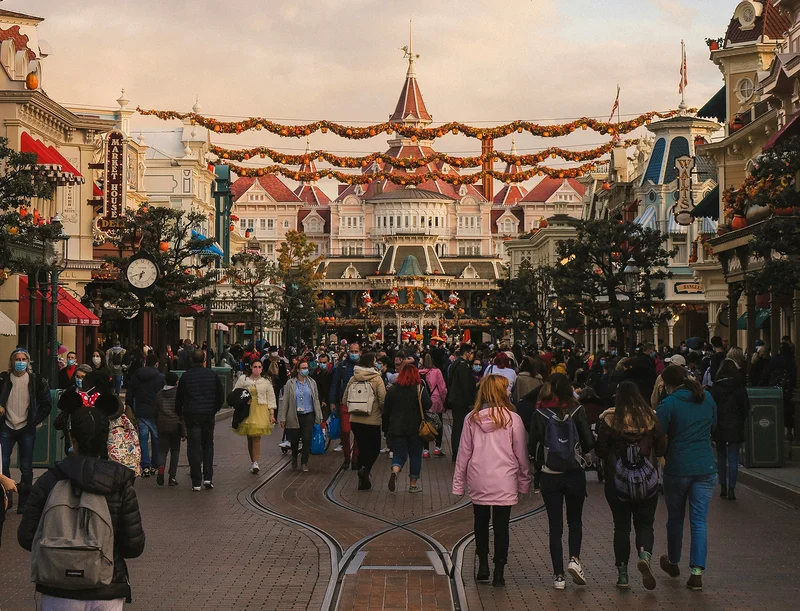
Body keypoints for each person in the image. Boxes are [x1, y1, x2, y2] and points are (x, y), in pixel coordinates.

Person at [18, 407, 145, 610]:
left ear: (72, 438)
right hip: (108, 587)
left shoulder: (50, 480)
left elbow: (26, 536)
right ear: (107, 438)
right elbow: (133, 546)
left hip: (58, 589)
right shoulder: (120, 483)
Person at [452, 374, 530, 587]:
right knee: (502, 525)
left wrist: (458, 484)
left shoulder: (471, 418)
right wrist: (524, 481)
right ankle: (499, 570)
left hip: (479, 477)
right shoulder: (513, 419)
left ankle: (483, 565)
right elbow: (521, 454)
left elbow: (463, 454)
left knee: (480, 521)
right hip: (504, 479)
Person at [595, 381, 667, 590]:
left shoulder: (610, 419)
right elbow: (661, 447)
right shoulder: (650, 418)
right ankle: (644, 554)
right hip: (647, 481)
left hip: (618, 483)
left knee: (621, 526)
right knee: (645, 524)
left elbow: (600, 450)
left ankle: (623, 574)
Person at [529, 373, 594, 591]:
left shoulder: (540, 413)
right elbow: (589, 440)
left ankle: (558, 576)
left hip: (550, 475)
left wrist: (538, 467)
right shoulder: (577, 410)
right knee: (575, 521)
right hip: (574, 474)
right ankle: (574, 559)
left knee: (554, 527)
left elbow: (532, 446)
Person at [656, 365, 717, 591]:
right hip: (705, 465)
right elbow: (715, 425)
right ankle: (697, 571)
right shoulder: (707, 398)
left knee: (675, 517)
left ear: (668, 385)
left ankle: (673, 561)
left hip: (678, 466)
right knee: (699, 520)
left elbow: (657, 433)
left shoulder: (669, 404)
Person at [0, 348, 51, 513]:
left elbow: (46, 404)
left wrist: (34, 420)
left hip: (26, 428)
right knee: (3, 464)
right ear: (12, 361)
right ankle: (6, 498)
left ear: (28, 362)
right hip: (6, 425)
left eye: (23, 359)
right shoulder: (4, 379)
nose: (20, 362)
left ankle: (24, 503)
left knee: (26, 467)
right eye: (17, 359)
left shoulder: (36, 381)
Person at [175, 349, 225, 491]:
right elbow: (220, 396)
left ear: (191, 359)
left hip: (192, 415)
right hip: (208, 414)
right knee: (208, 445)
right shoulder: (212, 375)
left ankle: (196, 481)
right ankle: (208, 477)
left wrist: (180, 413)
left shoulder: (186, 376)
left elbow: (179, 397)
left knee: (193, 446)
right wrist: (214, 409)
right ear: (204, 360)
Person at [383, 364, 431, 493]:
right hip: (416, 428)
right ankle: (413, 485)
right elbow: (428, 404)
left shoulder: (393, 390)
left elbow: (386, 411)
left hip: (397, 428)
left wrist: (386, 429)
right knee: (415, 456)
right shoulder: (419, 388)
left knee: (399, 454)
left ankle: (395, 470)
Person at [343, 353, 386, 489]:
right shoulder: (377, 378)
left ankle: (362, 481)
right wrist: (380, 410)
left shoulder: (353, 377)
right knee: (374, 448)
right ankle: (366, 470)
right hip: (372, 419)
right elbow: (383, 399)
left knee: (361, 447)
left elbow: (345, 399)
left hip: (355, 419)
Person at [709, 359, 750, 501]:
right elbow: (746, 407)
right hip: (735, 424)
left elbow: (712, 408)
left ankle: (723, 487)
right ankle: (732, 488)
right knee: (733, 457)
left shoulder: (716, 387)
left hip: (720, 424)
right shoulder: (739, 387)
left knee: (720, 456)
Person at [278, 360, 323, 472]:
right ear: (298, 370)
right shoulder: (290, 383)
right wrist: (282, 417)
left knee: (307, 439)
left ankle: (304, 462)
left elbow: (316, 399)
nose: (305, 370)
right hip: (294, 414)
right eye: (303, 368)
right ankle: (294, 456)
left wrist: (319, 415)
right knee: (295, 439)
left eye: (306, 367)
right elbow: (286, 401)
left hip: (309, 414)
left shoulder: (312, 382)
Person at [233, 359, 277, 474]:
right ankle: (253, 461)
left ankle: (256, 462)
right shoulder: (244, 379)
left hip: (261, 410)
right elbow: (235, 392)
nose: (257, 369)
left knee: (256, 436)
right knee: (250, 437)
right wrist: (243, 400)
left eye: (259, 367)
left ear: (262, 369)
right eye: (255, 367)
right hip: (247, 410)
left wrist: (272, 414)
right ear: (251, 367)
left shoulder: (266, 381)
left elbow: (271, 398)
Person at [125, 353, 165, 478]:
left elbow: (130, 393)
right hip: (155, 411)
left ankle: (145, 466)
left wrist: (129, 406)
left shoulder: (137, 376)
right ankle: (155, 464)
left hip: (141, 410)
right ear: (156, 363)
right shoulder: (160, 377)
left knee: (142, 439)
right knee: (156, 439)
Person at [330, 342, 361, 470]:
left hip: (360, 403)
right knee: (346, 431)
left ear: (360, 352)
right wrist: (333, 401)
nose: (353, 354)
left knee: (358, 433)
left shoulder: (364, 366)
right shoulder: (342, 367)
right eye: (351, 351)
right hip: (345, 402)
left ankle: (356, 459)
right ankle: (347, 457)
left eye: (356, 351)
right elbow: (335, 384)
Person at [446, 344, 477, 461]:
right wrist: (470, 401)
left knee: (457, 426)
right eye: (471, 353)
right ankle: (458, 452)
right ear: (467, 353)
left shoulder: (455, 364)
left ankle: (456, 452)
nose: (472, 355)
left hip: (455, 399)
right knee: (460, 427)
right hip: (461, 401)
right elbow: (465, 386)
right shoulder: (463, 367)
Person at [155, 372, 184, 486]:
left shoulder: (159, 394)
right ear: (176, 382)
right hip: (175, 425)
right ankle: (172, 476)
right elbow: (181, 411)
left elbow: (155, 410)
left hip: (162, 424)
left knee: (162, 450)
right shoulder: (178, 394)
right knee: (175, 450)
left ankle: (161, 467)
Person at [419, 353, 447, 458]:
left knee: (424, 423)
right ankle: (437, 447)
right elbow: (442, 388)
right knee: (438, 423)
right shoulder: (437, 372)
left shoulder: (419, 372)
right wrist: (444, 400)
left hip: (423, 401)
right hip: (436, 400)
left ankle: (425, 450)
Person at [312, 352, 334, 421]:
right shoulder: (317, 372)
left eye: (324, 362)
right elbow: (316, 387)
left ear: (328, 362)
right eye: (320, 362)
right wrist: (321, 400)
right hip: (322, 400)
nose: (322, 364)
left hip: (331, 400)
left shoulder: (333, 371)